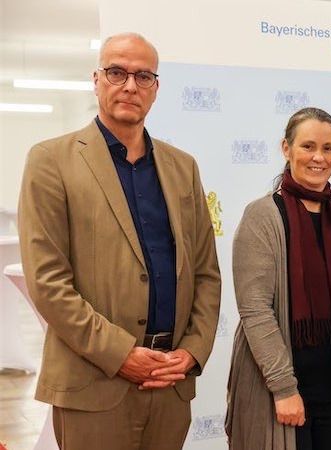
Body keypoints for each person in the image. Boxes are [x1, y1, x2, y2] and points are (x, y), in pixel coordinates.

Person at [17, 32, 221, 449]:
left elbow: (205, 273)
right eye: (116, 72)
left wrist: (193, 350)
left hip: (170, 382)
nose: (130, 86)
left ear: (156, 88)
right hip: (93, 383)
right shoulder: (51, 161)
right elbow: (48, 283)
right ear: (96, 80)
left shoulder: (183, 167)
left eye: (143, 76)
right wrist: (121, 355)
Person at [225, 107, 331, 450]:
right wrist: (284, 388)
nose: (319, 158)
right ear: (286, 148)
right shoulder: (261, 216)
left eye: (328, 148)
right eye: (308, 146)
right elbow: (255, 310)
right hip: (277, 393)